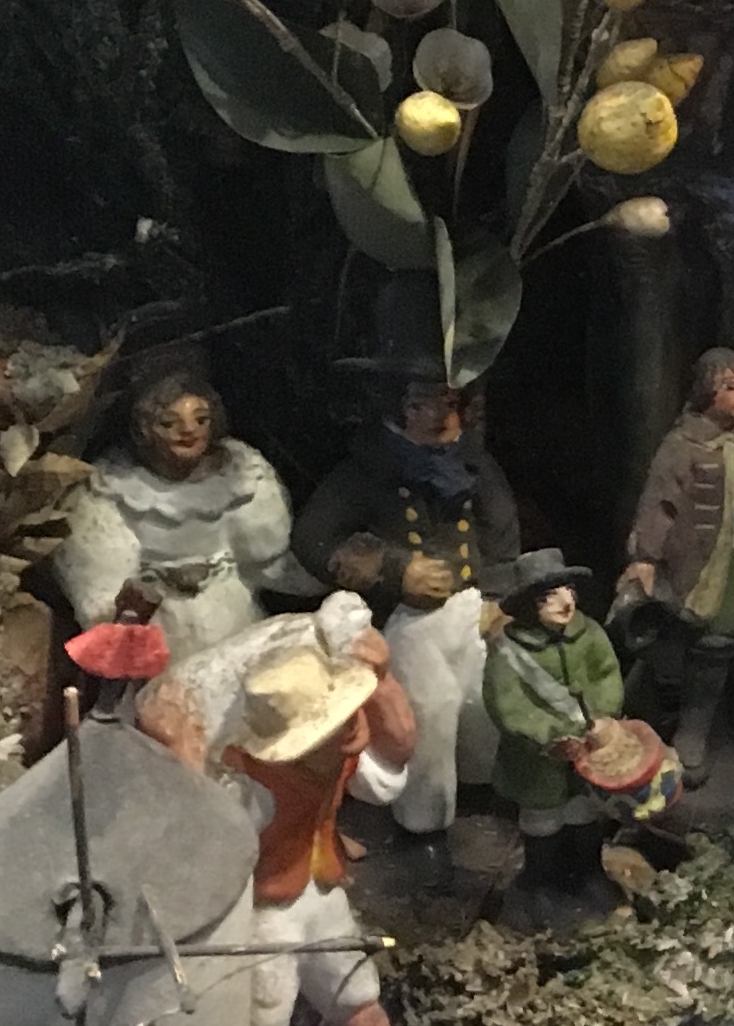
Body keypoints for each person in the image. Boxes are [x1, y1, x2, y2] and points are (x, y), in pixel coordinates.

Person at [212, 605, 434, 1026]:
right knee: (263, 1018)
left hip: (322, 888)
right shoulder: (245, 787)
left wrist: (384, 684)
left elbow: (386, 777)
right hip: (266, 912)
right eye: (333, 722)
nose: (350, 728)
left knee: (357, 993)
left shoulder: (337, 757)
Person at [289, 371, 518, 837]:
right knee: (430, 711)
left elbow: (501, 527)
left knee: (481, 701)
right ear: (399, 411)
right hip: (411, 621)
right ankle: (423, 821)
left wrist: (497, 593)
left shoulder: (471, 462)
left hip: (472, 607)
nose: (441, 417)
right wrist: (395, 569)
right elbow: (313, 538)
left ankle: (479, 793)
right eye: (422, 405)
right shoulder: (367, 470)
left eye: (449, 404)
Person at [616, 345, 734, 779]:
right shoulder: (683, 445)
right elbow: (661, 503)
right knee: (713, 641)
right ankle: (693, 730)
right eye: (730, 387)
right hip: (706, 562)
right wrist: (646, 557)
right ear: (707, 392)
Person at [53, 358, 293, 666]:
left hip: (232, 614)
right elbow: (101, 586)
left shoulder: (240, 474)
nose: (188, 430)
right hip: (163, 625)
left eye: (201, 419)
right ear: (143, 429)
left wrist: (322, 568)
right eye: (168, 423)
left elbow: (265, 561)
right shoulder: (112, 487)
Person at [483, 548, 661, 919]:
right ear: (530, 605)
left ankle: (587, 873)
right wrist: (548, 734)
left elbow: (606, 675)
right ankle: (539, 882)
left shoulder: (588, 633)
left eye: (567, 590)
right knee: (543, 820)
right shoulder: (510, 652)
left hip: (590, 750)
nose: (565, 601)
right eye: (549, 596)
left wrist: (602, 715)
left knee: (584, 812)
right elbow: (508, 706)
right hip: (538, 762)